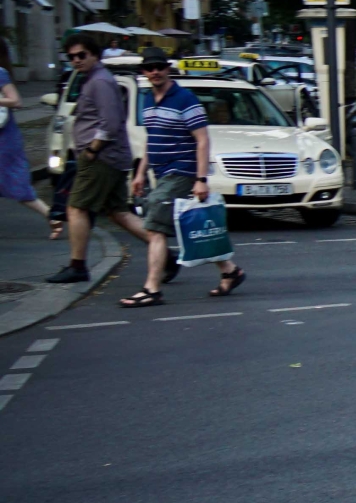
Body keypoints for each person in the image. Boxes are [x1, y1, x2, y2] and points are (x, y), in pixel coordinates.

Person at [121, 49, 236, 305]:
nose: (155, 72)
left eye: (159, 67)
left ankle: (152, 288)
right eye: (149, 68)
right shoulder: (148, 100)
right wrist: (139, 174)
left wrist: (201, 179)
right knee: (194, 227)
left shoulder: (185, 99)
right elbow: (152, 140)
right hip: (161, 174)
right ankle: (230, 271)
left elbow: (203, 140)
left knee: (154, 226)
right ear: (143, 72)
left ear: (167, 68)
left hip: (182, 171)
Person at [47, 37, 158, 286]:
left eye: (81, 55)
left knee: (76, 208)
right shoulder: (95, 80)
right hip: (110, 157)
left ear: (95, 55)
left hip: (101, 158)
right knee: (119, 213)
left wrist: (91, 151)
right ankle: (165, 255)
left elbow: (109, 123)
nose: (76, 60)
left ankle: (78, 266)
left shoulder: (100, 81)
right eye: (71, 57)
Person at [0, 38, 52, 230]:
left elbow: (16, 101)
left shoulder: (0, 73)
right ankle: (51, 216)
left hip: (4, 138)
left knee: (17, 185)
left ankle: (51, 216)